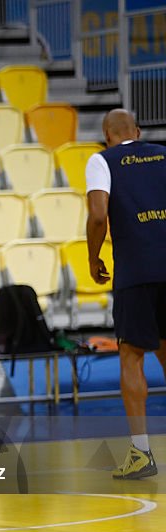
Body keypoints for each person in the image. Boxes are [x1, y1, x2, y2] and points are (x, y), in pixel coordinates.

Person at [85, 108, 166, 480]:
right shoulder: (163, 154)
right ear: (137, 130)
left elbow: (99, 214)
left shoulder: (102, 160)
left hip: (136, 272)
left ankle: (141, 452)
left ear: (107, 134)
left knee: (132, 358)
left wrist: (93, 256)